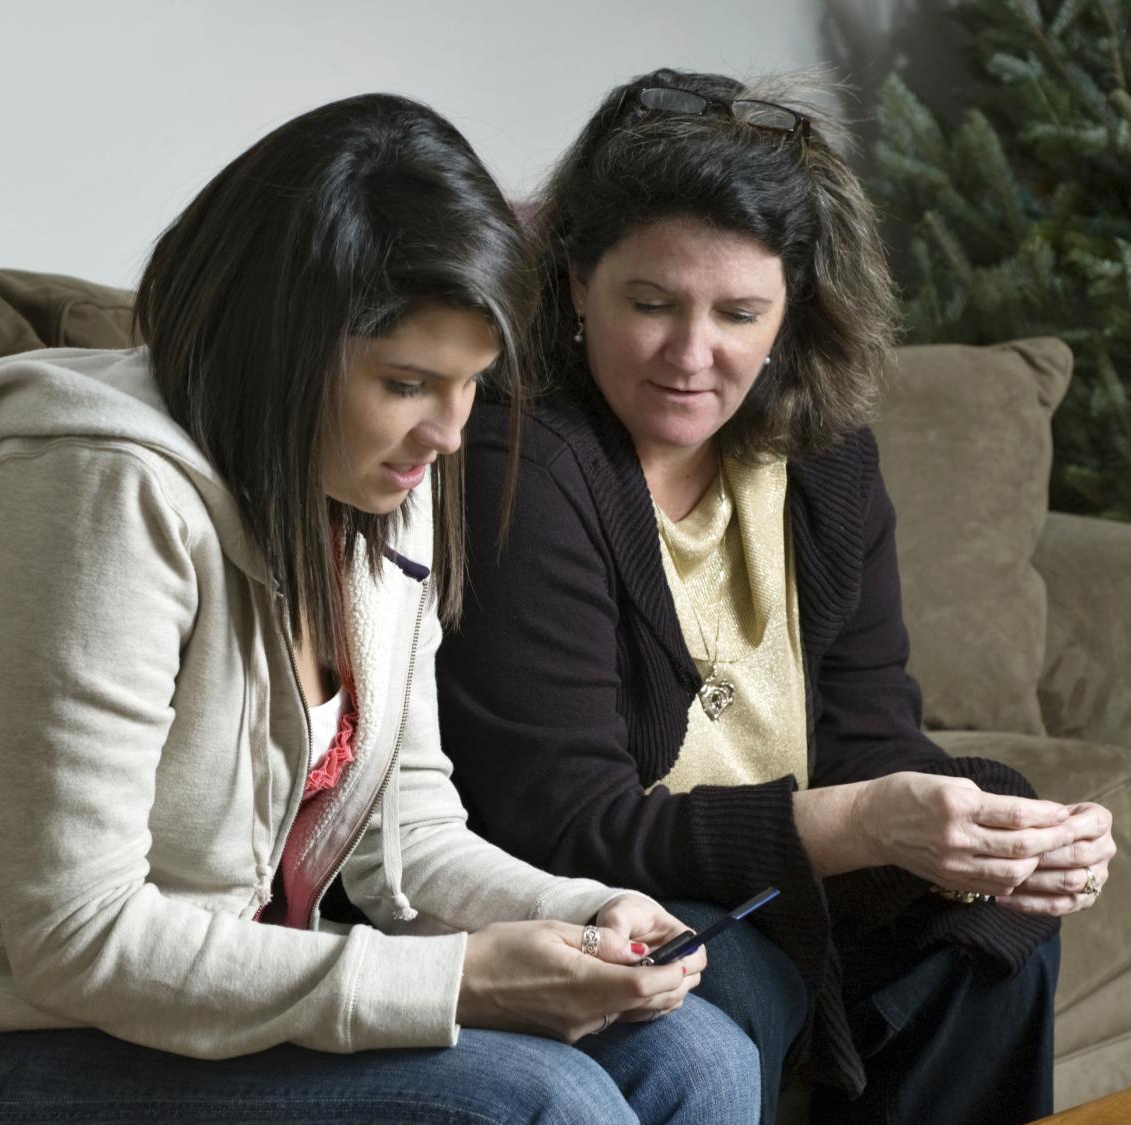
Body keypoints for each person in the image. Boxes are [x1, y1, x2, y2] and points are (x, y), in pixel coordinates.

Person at [0, 92, 760, 1125]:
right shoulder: (100, 496)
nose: (447, 433)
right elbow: (80, 938)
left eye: (471, 383)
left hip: (197, 1008)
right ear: (280, 349)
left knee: (698, 1059)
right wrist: (456, 984)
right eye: (405, 382)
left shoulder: (378, 480)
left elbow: (409, 840)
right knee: (542, 1105)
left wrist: (586, 914)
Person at [435, 69, 1116, 1125]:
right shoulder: (516, 458)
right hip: (616, 896)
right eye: (650, 304)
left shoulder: (824, 456)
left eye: (740, 312)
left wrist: (1004, 829)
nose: (691, 357)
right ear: (574, 282)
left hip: (781, 876)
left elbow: (866, 735)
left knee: (993, 941)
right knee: (727, 980)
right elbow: (558, 826)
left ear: (792, 308)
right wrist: (868, 822)